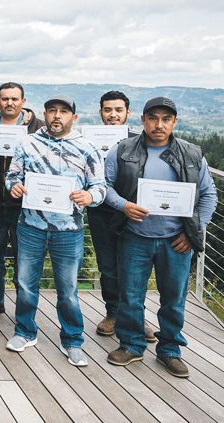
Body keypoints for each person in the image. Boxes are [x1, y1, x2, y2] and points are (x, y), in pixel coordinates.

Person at [105, 97, 217, 378]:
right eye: (153, 118)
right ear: (143, 120)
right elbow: (104, 188)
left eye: (166, 119)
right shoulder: (121, 150)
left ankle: (170, 350)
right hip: (135, 236)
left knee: (174, 298)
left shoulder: (192, 154)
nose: (159, 124)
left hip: (176, 240)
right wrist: (124, 206)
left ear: (174, 122)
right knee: (130, 296)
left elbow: (209, 196)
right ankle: (131, 345)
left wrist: (193, 233)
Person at [5, 95, 106, 367]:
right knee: (26, 284)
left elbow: (100, 187)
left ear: (74, 116)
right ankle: (24, 332)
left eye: (63, 112)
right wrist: (13, 186)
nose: (57, 116)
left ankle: (72, 340)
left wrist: (89, 197)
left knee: (68, 289)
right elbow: (12, 176)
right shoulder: (28, 143)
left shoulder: (88, 147)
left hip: (69, 229)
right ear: (45, 114)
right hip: (31, 226)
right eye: (52, 111)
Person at [0, 82, 44, 318]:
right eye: (5, 99)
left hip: (25, 205)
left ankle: (23, 307)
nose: (9, 103)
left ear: (23, 101)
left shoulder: (38, 129)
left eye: (14, 99)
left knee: (24, 259)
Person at [86, 91, 153, 342]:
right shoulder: (87, 140)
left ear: (128, 113)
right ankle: (112, 313)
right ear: (100, 112)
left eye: (118, 110)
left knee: (134, 268)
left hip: (132, 213)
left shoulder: (142, 141)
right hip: (100, 211)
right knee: (108, 267)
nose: (113, 115)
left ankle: (136, 317)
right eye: (107, 110)